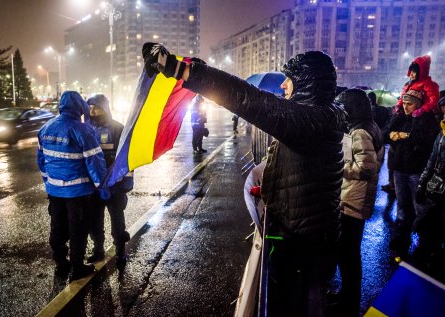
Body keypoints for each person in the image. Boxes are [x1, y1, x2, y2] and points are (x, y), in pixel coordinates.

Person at [142, 43, 347, 317]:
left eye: (291, 80)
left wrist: (183, 71)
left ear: (307, 84)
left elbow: (248, 99)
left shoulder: (310, 121)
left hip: (302, 245)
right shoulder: (317, 118)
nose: (284, 86)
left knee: (294, 307)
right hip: (305, 237)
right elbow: (301, 170)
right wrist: (271, 186)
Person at [37, 91, 107, 281]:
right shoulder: (83, 130)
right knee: (78, 231)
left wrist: (48, 182)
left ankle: (61, 263)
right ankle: (77, 268)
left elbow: (42, 161)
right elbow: (95, 162)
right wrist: (102, 187)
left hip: (55, 191)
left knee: (57, 228)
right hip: (78, 193)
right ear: (79, 107)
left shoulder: (45, 128)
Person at [334, 89, 384, 317]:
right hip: (358, 198)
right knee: (349, 253)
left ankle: (349, 299)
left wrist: (339, 168)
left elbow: (366, 168)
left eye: (344, 108)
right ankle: (348, 295)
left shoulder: (360, 131)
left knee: (349, 254)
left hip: (354, 199)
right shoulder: (370, 126)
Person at [386, 89, 438, 260]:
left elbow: (425, 139)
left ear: (418, 104)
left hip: (416, 169)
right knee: (402, 205)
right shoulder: (400, 116)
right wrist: (392, 134)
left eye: (410, 104)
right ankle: (402, 238)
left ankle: (426, 241)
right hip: (399, 168)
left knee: (420, 206)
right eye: (405, 103)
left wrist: (405, 136)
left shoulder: (426, 119)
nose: (406, 107)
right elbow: (386, 132)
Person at [86, 94, 133, 269]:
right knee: (94, 222)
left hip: (114, 186)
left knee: (117, 224)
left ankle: (120, 251)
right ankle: (98, 250)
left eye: (96, 107)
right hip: (95, 186)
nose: (92, 111)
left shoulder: (117, 129)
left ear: (104, 108)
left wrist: (122, 184)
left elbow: (126, 159)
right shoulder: (86, 128)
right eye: (90, 107)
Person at [414, 118, 445, 281]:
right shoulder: (442, 132)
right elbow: (432, 161)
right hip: (436, 190)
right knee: (429, 232)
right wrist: (422, 183)